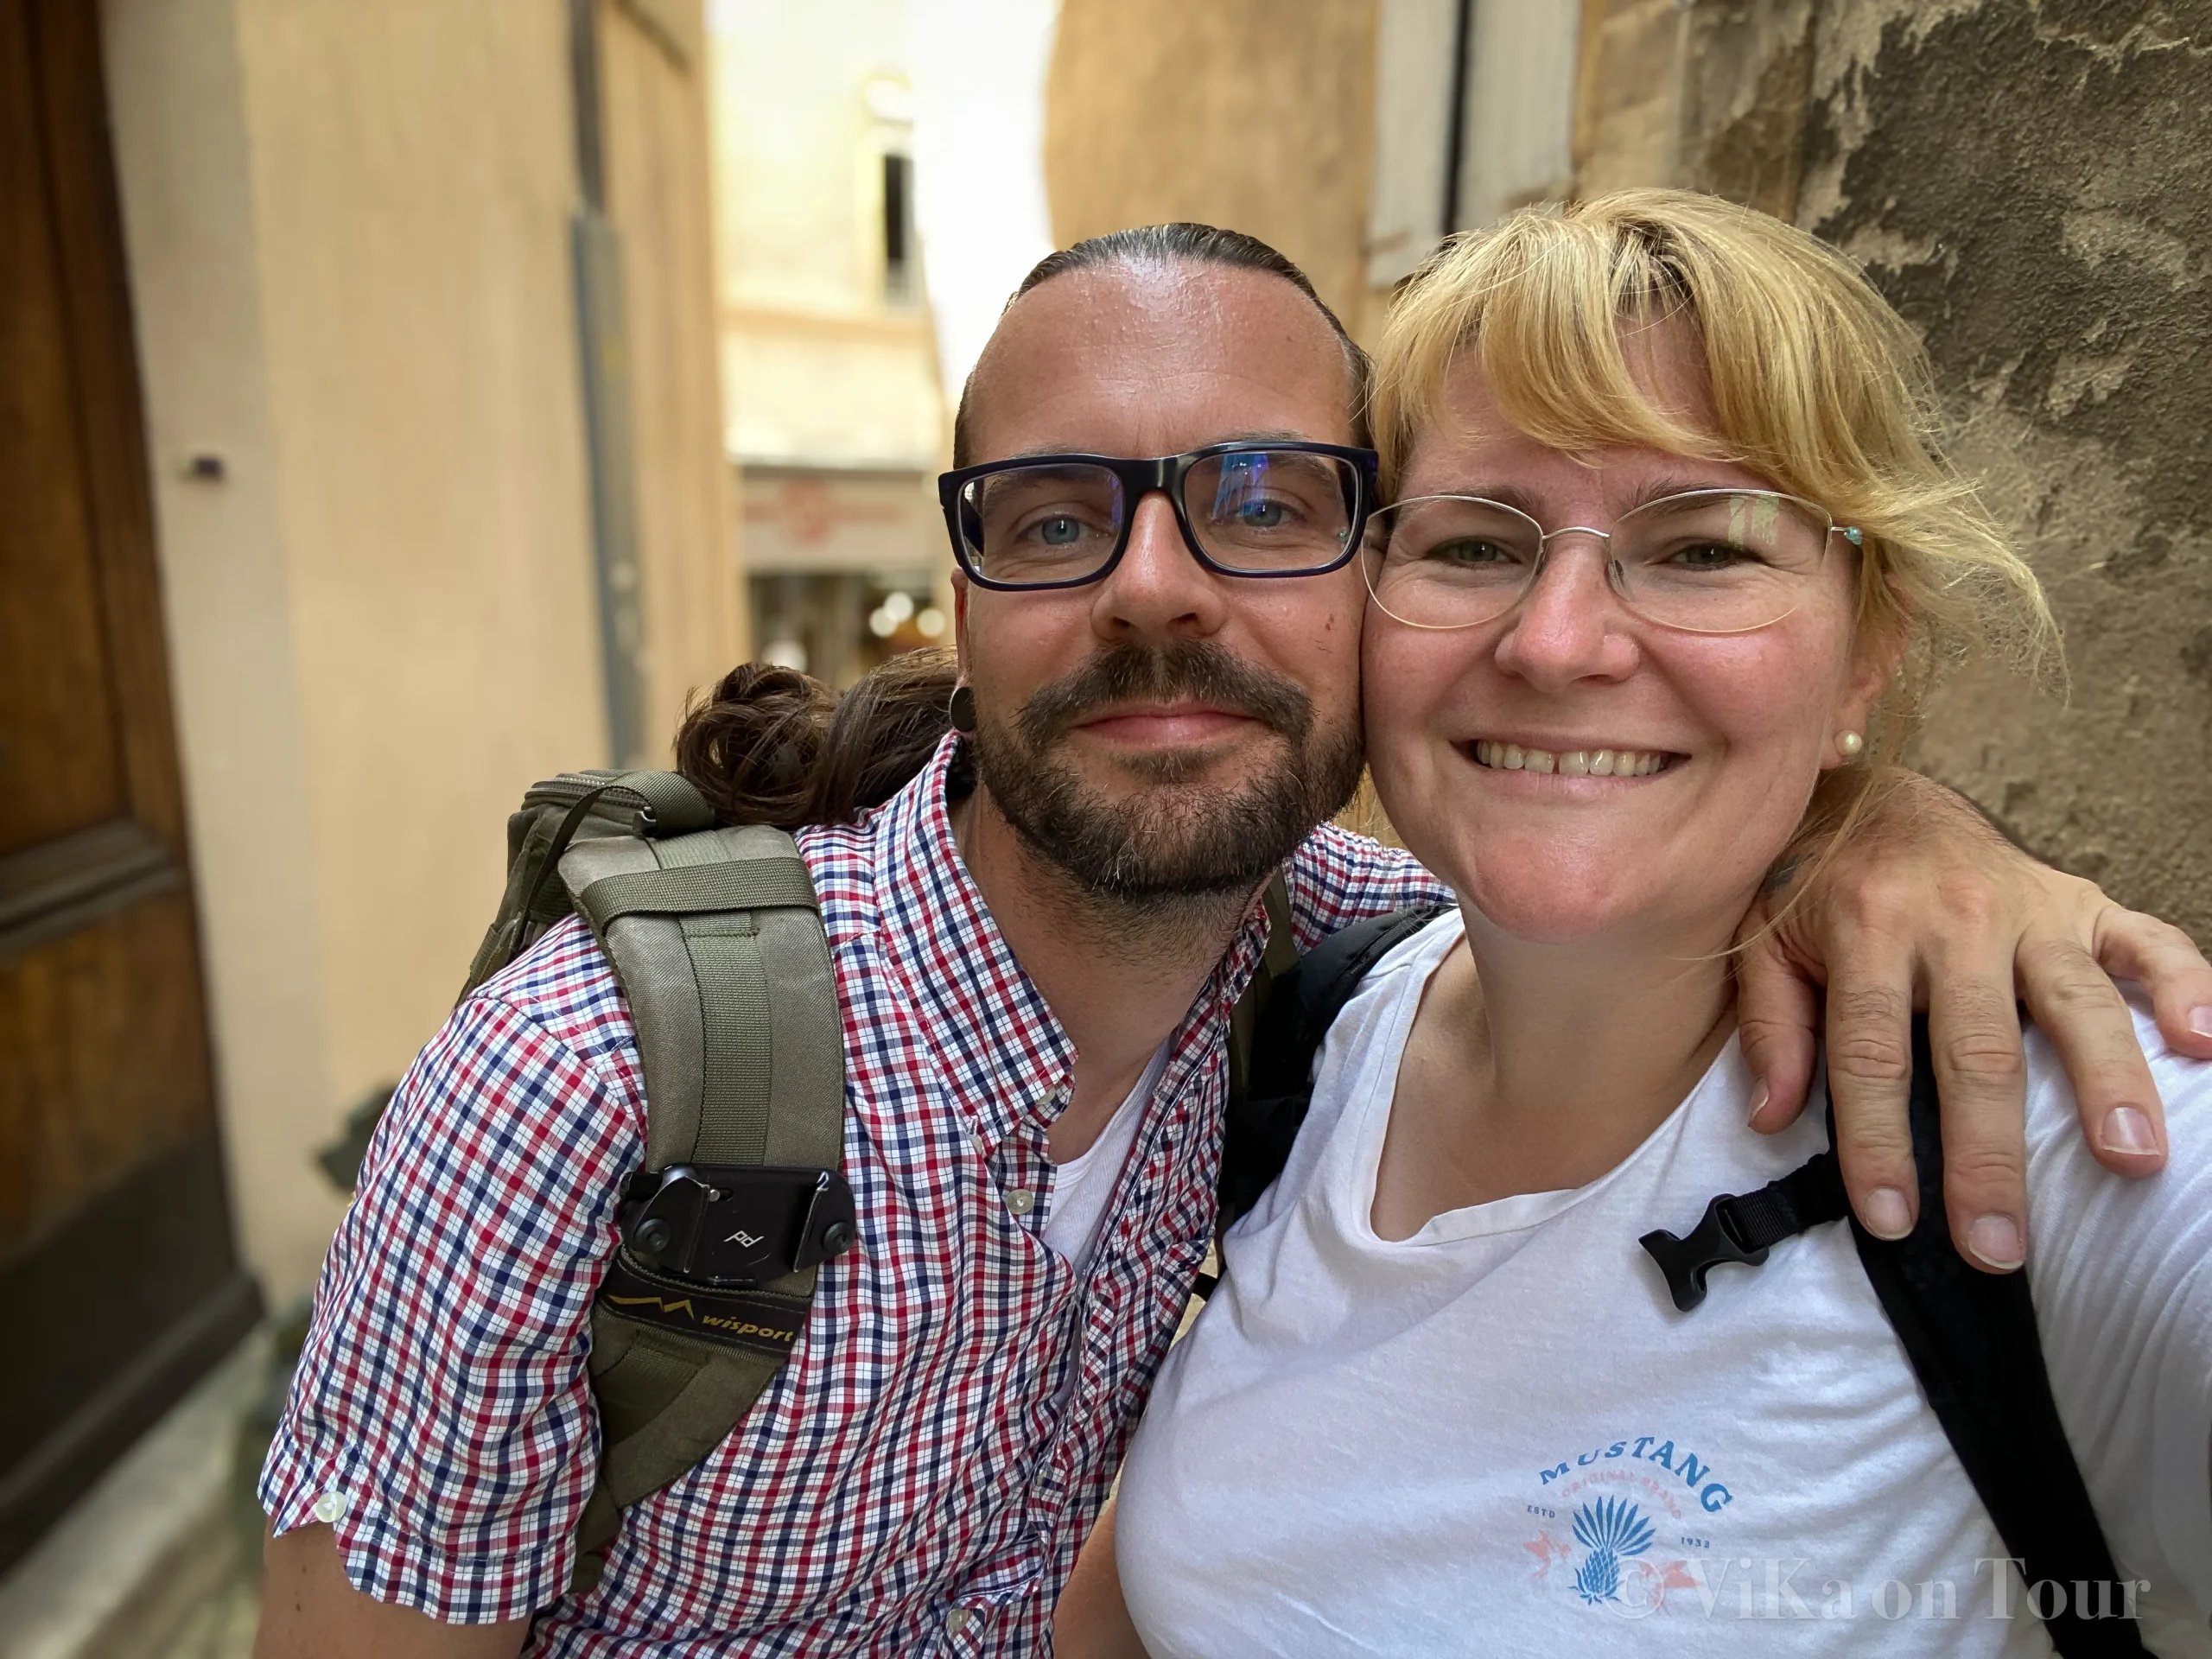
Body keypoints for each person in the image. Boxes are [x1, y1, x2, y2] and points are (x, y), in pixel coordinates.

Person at [253, 222, 2212, 1658]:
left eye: (1266, 504)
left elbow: (1615, 831)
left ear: (1359, 584)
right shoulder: (585, 1083)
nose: (1154, 590)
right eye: (1051, 519)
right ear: (958, 599)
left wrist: (1878, 830)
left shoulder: (1344, 965)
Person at [1070, 194, 2212, 1656]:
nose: (1556, 643)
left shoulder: (2060, 1129)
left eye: (1704, 551)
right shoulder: (1309, 1023)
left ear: (1868, 646)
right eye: (1473, 545)